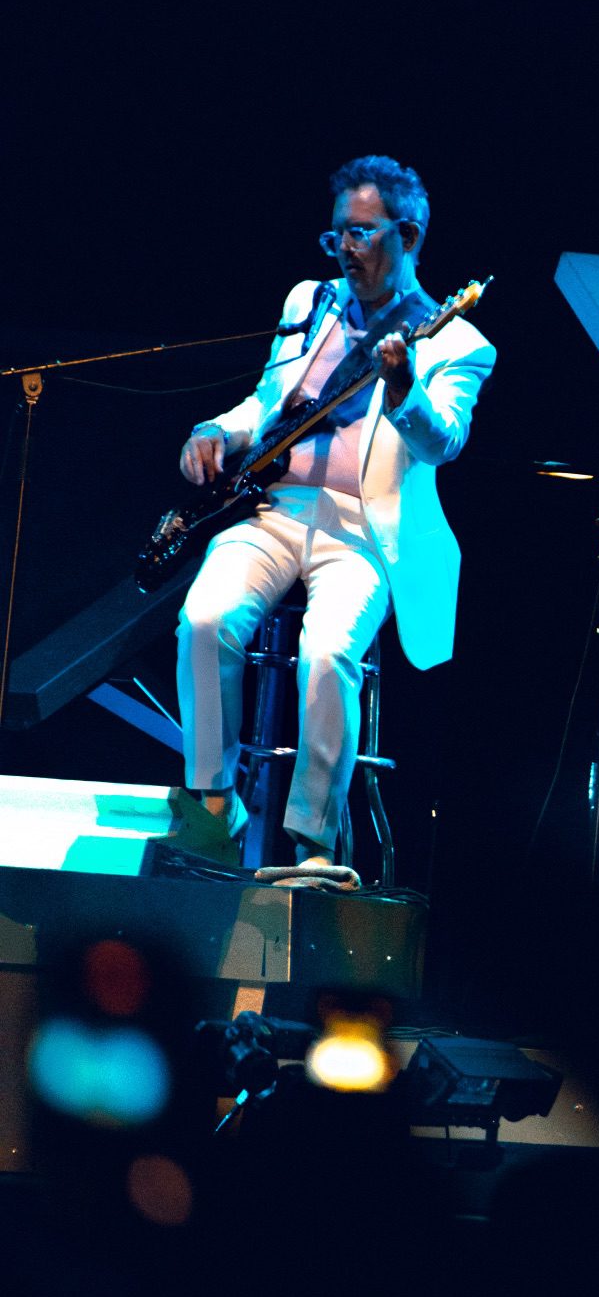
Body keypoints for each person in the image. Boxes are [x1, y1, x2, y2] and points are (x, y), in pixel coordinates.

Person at [169, 155, 494, 869]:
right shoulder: (307, 304)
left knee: (327, 653)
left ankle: (312, 838)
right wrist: (218, 430)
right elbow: (265, 402)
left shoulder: (459, 342)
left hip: (366, 534)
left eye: (361, 234)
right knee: (204, 618)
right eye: (337, 234)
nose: (344, 249)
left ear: (406, 236)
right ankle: (212, 805)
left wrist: (405, 384)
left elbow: (445, 444)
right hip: (278, 509)